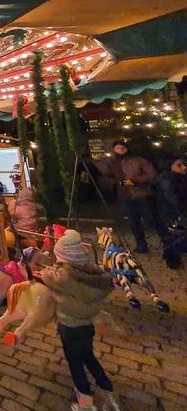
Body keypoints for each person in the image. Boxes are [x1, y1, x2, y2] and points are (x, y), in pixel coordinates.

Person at [41, 230, 119, 411]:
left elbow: (46, 275)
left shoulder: (64, 277)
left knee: (75, 364)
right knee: (89, 357)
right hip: (87, 325)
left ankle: (85, 404)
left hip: (69, 326)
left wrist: (53, 265)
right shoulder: (92, 275)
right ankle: (109, 395)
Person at [96, 140, 163, 253]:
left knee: (152, 219)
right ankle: (141, 244)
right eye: (117, 148)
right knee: (133, 220)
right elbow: (105, 177)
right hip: (125, 195)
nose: (120, 150)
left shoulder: (139, 160)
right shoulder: (113, 163)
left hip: (142, 194)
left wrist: (135, 181)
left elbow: (151, 175)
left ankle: (167, 242)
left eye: (123, 148)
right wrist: (117, 182)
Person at [158, 157, 187, 268]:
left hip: (180, 211)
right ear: (171, 166)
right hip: (174, 212)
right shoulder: (167, 179)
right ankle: (172, 260)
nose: (184, 167)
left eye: (184, 164)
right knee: (174, 236)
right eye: (180, 165)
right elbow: (172, 197)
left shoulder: (183, 177)